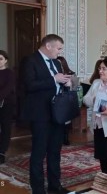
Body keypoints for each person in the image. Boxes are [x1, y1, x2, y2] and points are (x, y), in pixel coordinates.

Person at [20, 34, 72, 194]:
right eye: (58, 48)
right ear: (48, 46)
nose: (60, 51)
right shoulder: (30, 60)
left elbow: (58, 84)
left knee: (55, 151)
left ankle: (54, 186)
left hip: (57, 113)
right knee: (39, 152)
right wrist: (54, 79)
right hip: (40, 114)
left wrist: (66, 83)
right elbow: (29, 85)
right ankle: (38, 189)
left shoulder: (57, 62)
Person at [56, 56, 79, 146]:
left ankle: (66, 137)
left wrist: (69, 84)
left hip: (67, 98)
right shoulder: (55, 75)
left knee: (67, 120)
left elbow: (75, 87)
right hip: (58, 99)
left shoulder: (71, 74)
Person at [0, 50, 16, 164]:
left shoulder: (9, 73)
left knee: (5, 128)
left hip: (6, 104)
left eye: (0, 59)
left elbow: (8, 89)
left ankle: (2, 152)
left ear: (5, 60)